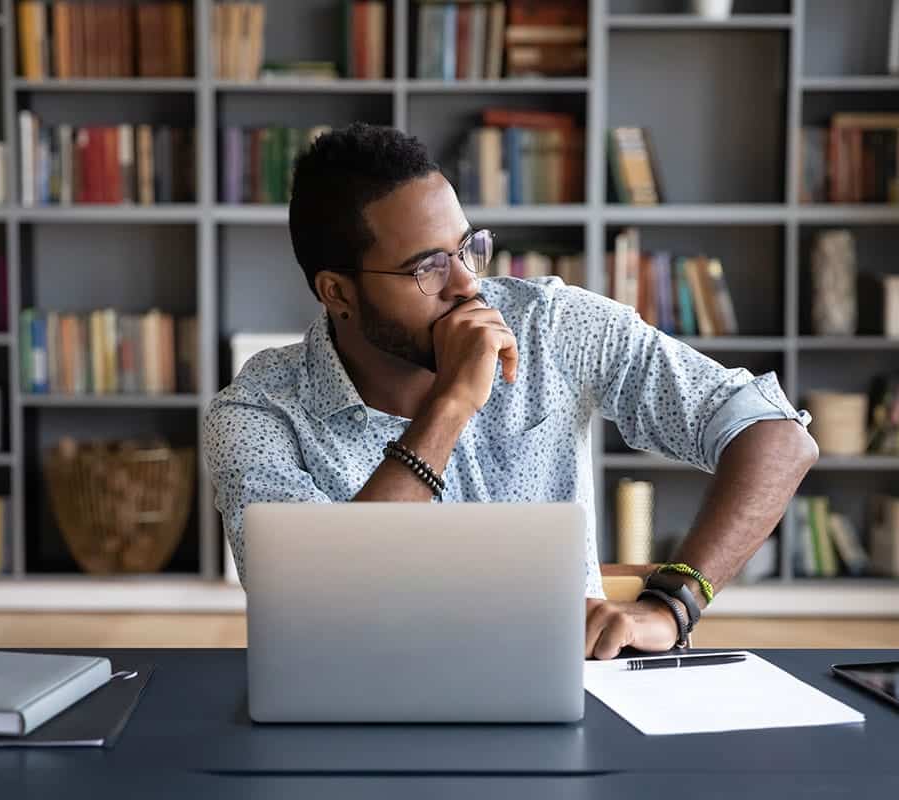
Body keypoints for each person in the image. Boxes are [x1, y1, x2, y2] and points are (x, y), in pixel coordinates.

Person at [203, 122, 818, 660]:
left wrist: (675, 602)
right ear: (336, 291)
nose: (469, 285)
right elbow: (310, 607)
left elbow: (778, 436)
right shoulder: (258, 414)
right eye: (427, 268)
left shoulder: (550, 324)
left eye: (468, 248)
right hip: (367, 707)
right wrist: (451, 405)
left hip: (570, 685)